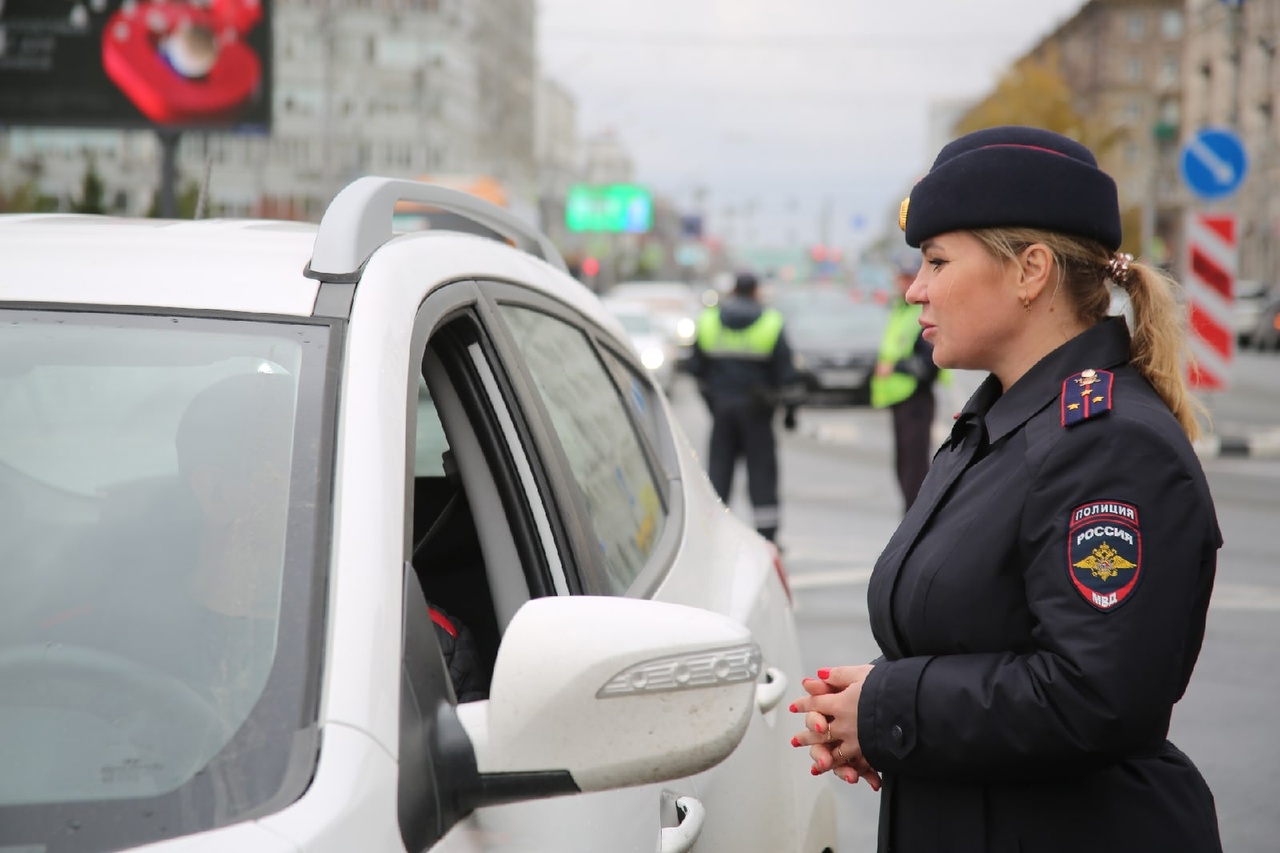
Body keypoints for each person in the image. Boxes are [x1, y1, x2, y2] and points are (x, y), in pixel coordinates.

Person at [787, 126, 1223, 852]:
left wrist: (892, 704)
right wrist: (878, 711)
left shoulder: (1109, 443)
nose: (914, 289)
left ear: (1031, 271)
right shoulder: (1002, 421)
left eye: (935, 261)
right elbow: (988, 636)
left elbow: (1094, 697)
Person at [685, 271, 802, 542]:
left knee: (719, 472)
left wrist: (714, 401)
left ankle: (713, 532)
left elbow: (695, 369)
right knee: (762, 474)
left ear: (733, 291)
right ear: (756, 292)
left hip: (723, 408)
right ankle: (767, 537)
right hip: (758, 411)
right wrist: (789, 411)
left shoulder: (709, 320)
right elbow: (786, 374)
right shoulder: (771, 322)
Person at [872, 246, 948, 512]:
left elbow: (928, 365)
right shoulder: (901, 310)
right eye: (901, 277)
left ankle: (915, 523)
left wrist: (895, 368)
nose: (905, 283)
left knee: (914, 470)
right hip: (899, 400)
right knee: (904, 466)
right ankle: (911, 519)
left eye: (909, 276)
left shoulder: (919, 313)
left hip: (915, 398)